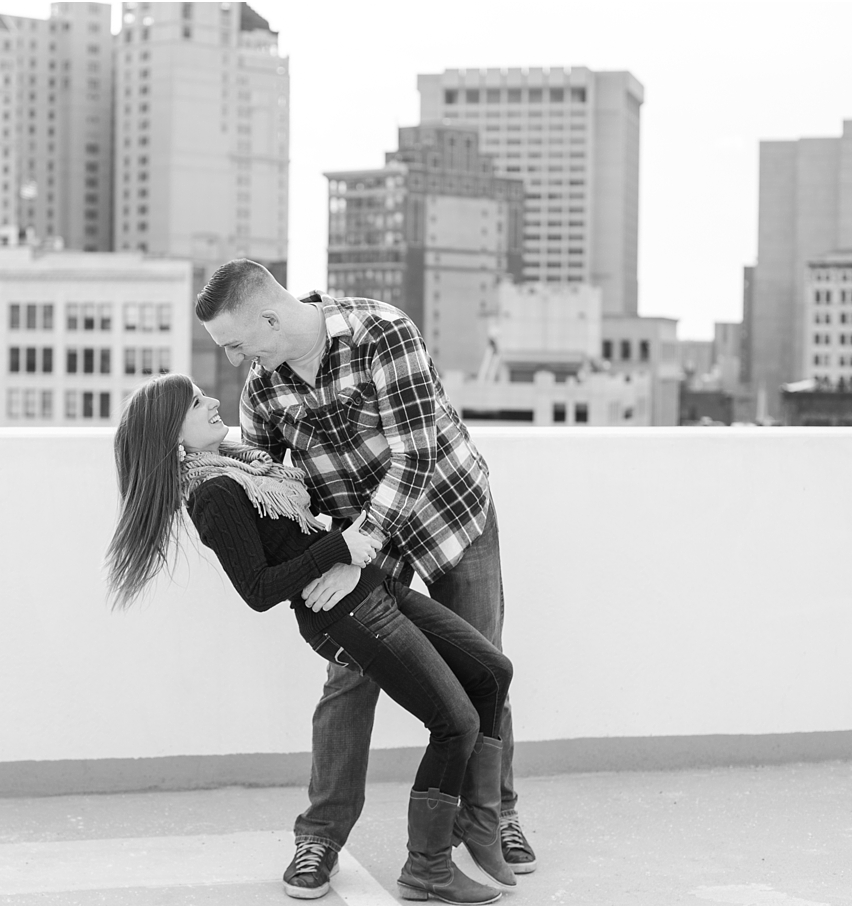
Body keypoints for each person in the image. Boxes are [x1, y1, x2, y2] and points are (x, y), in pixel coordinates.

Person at [195, 259, 538, 898]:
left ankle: (496, 815)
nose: (239, 361)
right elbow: (278, 487)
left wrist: (356, 549)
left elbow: (416, 452)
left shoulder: (382, 333)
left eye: (239, 344)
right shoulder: (265, 390)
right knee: (348, 678)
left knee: (483, 665)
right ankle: (319, 838)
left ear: (270, 317)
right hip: (358, 541)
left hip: (448, 517)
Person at [106, 374, 515, 904]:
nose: (210, 401)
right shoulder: (213, 493)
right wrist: (339, 547)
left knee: (492, 673)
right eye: (193, 402)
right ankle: (427, 867)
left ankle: (477, 821)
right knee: (455, 722)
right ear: (171, 434)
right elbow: (257, 589)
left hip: (373, 587)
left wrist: (347, 552)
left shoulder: (243, 464)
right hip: (345, 617)